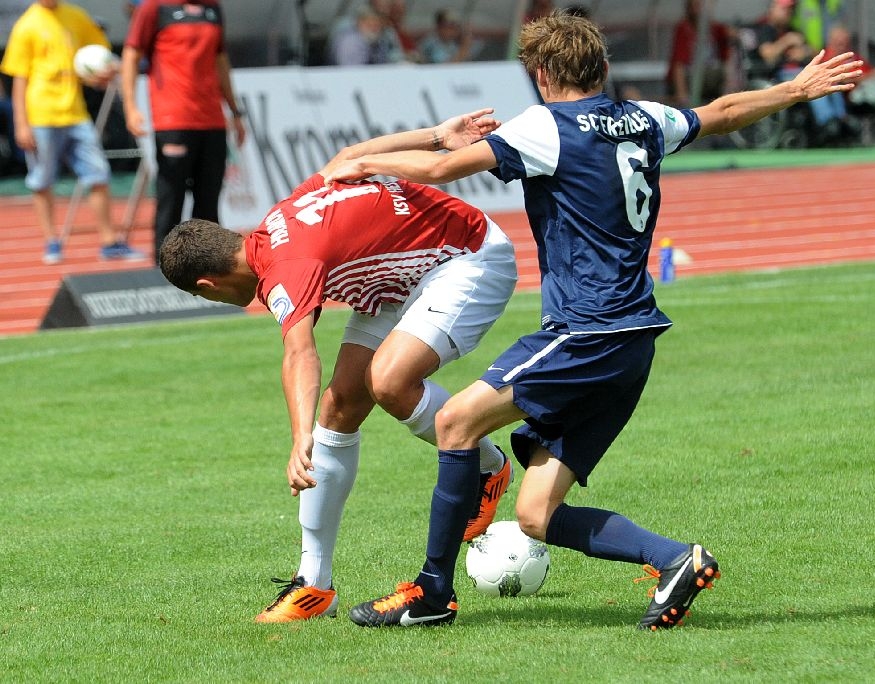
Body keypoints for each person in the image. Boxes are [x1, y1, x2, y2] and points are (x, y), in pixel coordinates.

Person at [323, 11, 861, 629]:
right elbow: (723, 111)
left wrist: (366, 164)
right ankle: (675, 560)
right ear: (602, 67)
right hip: (632, 343)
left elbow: (445, 170)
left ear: (541, 74)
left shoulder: (545, 126)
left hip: (586, 332)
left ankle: (431, 594)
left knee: (454, 421)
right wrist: (794, 89)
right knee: (535, 515)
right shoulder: (644, 118)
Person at [158, 109, 518, 624]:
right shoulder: (279, 218)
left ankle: (487, 465)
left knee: (390, 381)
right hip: (401, 273)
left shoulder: (285, 268)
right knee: (341, 406)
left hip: (467, 256)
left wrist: (299, 438)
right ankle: (313, 584)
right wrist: (438, 136)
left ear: (208, 285)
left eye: (204, 297)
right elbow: (349, 158)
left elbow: (300, 352)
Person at [1, 0, 143, 264]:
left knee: (98, 174)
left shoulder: (75, 16)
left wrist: (105, 70)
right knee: (42, 180)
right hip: (41, 116)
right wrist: (21, 123)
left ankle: (109, 242)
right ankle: (52, 241)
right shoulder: (27, 25)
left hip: (76, 114)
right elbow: (19, 79)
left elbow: (101, 51)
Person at [120, 0, 246, 263]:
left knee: (208, 202)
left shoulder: (213, 8)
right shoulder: (154, 7)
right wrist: (130, 107)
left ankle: (209, 267)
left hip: (212, 119)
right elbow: (131, 55)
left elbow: (220, 60)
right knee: (171, 199)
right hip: (173, 119)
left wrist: (235, 111)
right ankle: (163, 267)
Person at [744, 0, 853, 146]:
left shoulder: (793, 30)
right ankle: (827, 121)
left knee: (828, 78)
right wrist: (786, 42)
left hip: (799, 71)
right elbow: (768, 54)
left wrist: (803, 52)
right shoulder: (765, 29)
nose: (788, 13)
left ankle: (841, 118)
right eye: (784, 9)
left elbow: (815, 52)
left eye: (790, 10)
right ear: (772, 9)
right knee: (812, 83)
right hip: (775, 75)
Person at [666, 0, 736, 107]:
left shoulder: (717, 29)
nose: (700, 9)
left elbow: (727, 59)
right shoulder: (684, 29)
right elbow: (678, 65)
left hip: (710, 82)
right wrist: (682, 95)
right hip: (690, 81)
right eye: (696, 5)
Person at [327, 6, 405, 66]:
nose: (374, 29)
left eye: (378, 25)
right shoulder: (350, 42)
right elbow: (352, 71)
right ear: (360, 23)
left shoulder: (380, 39)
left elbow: (391, 58)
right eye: (370, 25)